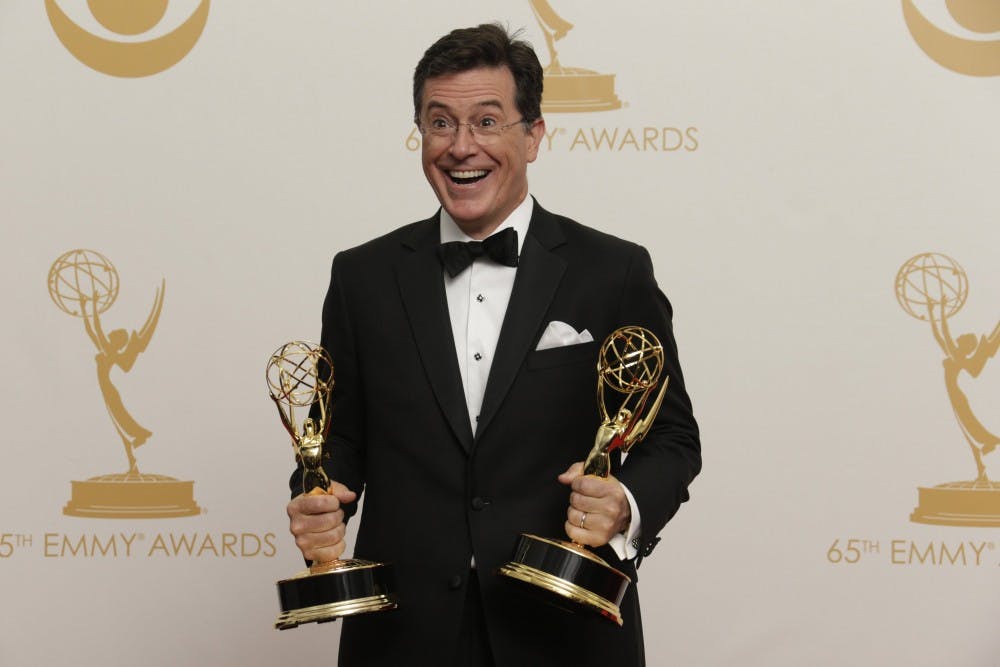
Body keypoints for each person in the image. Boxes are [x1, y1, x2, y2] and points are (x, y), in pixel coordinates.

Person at [287, 23, 701, 666]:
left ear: (533, 135)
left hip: (565, 628)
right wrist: (318, 494)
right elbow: (337, 437)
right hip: (403, 638)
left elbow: (673, 438)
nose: (461, 147)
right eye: (440, 122)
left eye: (486, 121)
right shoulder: (361, 276)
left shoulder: (612, 271)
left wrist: (626, 503)